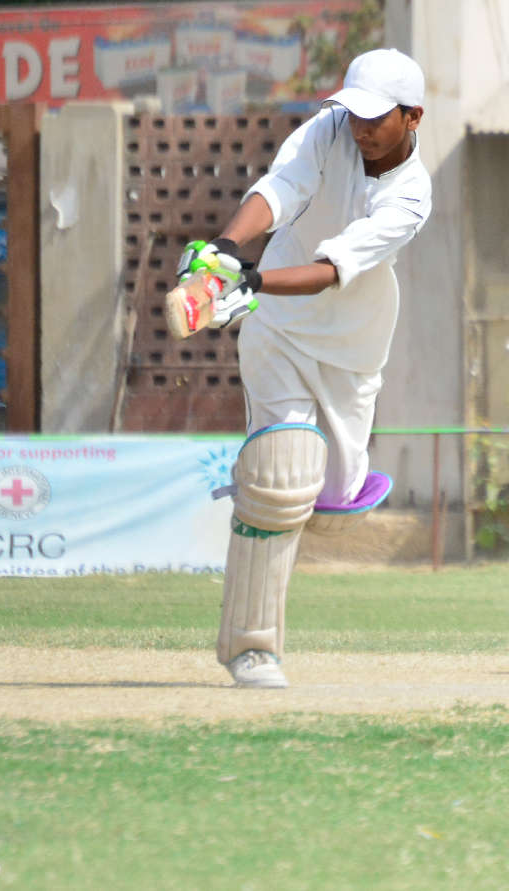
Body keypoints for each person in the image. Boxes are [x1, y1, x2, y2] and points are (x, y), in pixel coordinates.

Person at [175, 47, 431, 688]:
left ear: (413, 117)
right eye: (354, 113)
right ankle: (252, 649)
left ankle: (306, 496)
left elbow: (330, 268)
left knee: (334, 498)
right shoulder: (329, 130)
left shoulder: (412, 197)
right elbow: (280, 189)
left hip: (351, 346)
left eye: (377, 117)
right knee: (281, 473)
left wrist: (250, 281)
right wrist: (224, 253)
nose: (361, 128)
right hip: (278, 329)